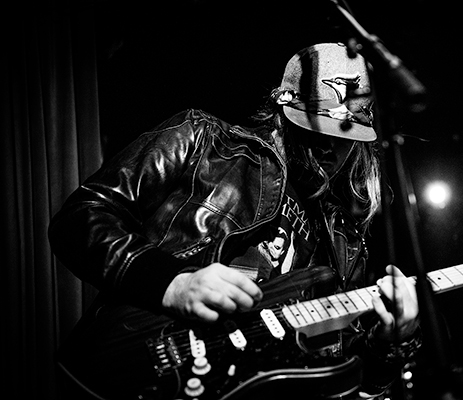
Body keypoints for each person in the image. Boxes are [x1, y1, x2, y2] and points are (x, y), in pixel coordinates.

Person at [49, 42, 421, 399]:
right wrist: (173, 283)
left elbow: (343, 377)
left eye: (343, 136)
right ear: (282, 105)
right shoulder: (204, 142)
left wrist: (390, 342)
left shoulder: (343, 244)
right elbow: (82, 217)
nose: (328, 146)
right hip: (135, 368)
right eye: (315, 127)